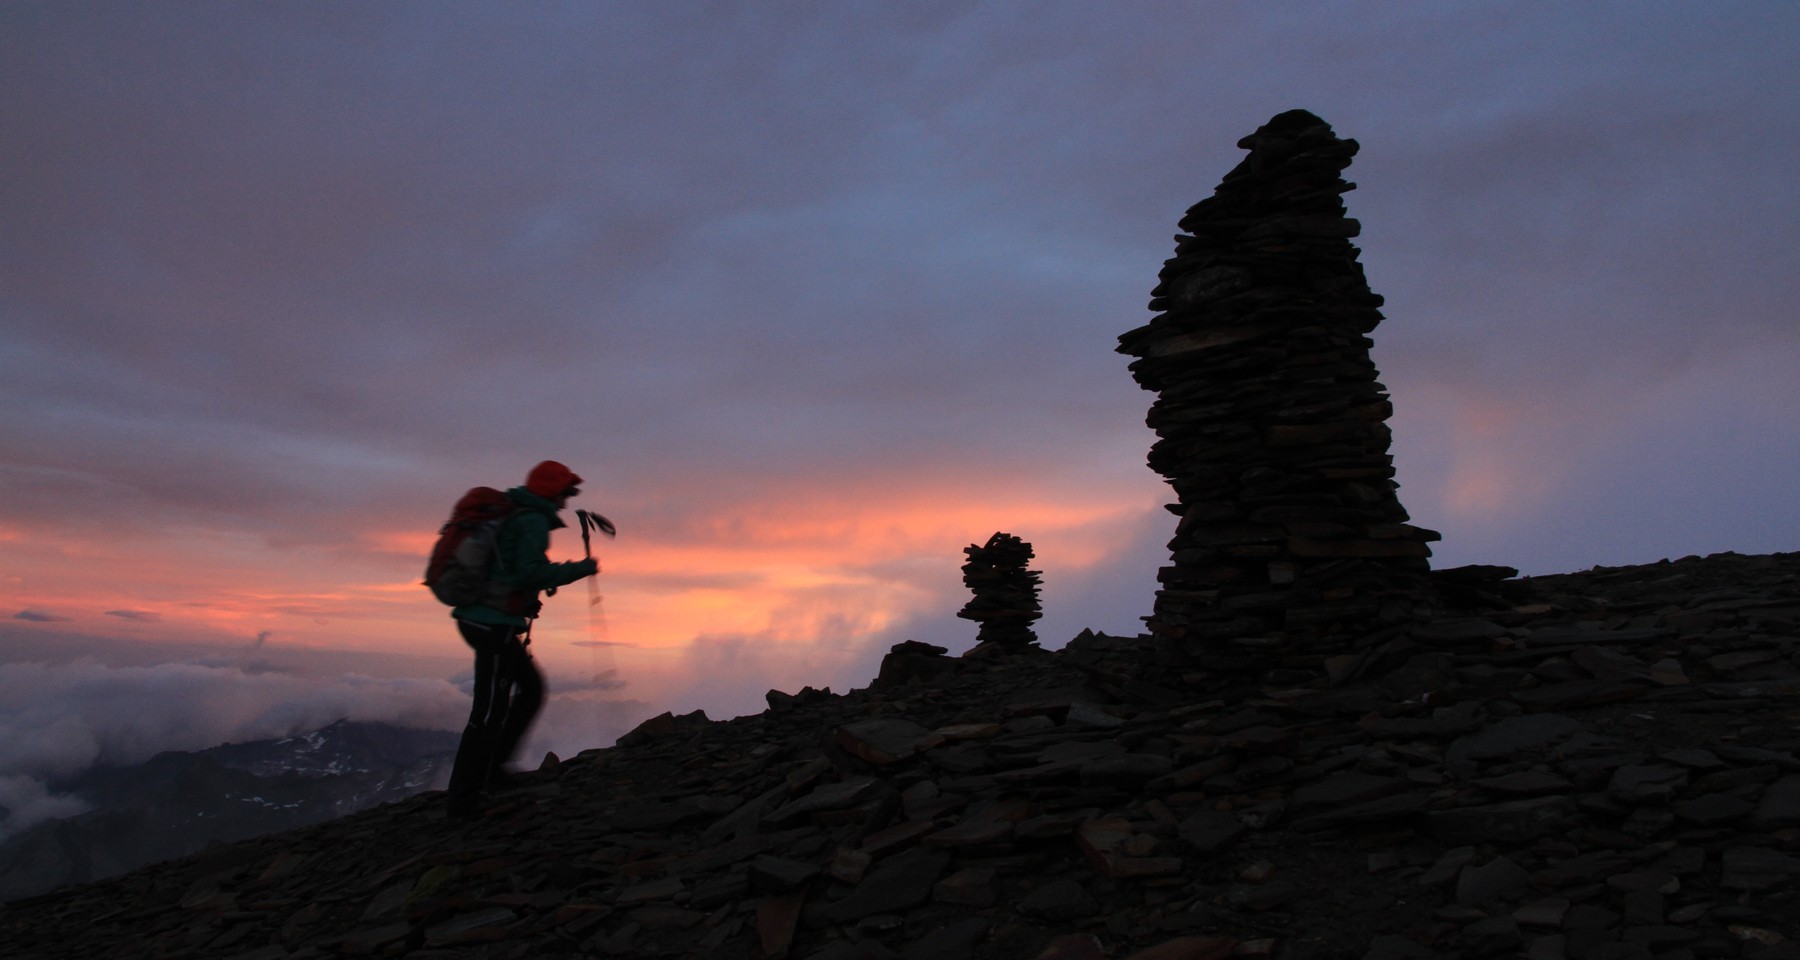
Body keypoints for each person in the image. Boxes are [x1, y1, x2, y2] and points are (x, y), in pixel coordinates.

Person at [445, 459, 597, 817]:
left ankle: (493, 772)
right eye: (565, 492)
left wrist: (523, 602)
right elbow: (530, 572)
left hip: (487, 621)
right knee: (489, 710)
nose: (567, 500)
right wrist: (581, 569)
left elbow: (511, 571)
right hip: (490, 626)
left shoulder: (520, 513)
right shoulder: (531, 519)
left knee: (528, 690)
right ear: (552, 490)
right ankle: (464, 799)